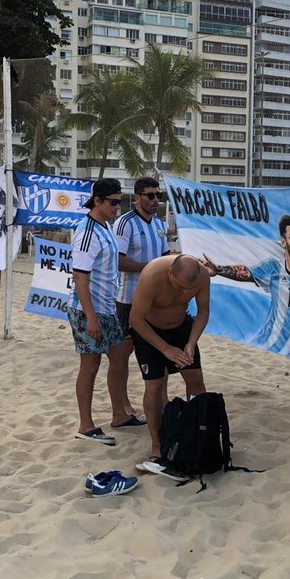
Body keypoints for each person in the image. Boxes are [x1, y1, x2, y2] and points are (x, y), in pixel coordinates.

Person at [202, 214, 290, 356]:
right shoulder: (274, 268)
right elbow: (245, 273)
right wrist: (219, 270)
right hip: (262, 350)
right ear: (283, 242)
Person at [67, 178, 134, 446]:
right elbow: (79, 277)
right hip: (88, 310)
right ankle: (86, 425)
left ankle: (119, 415)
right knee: (90, 365)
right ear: (97, 201)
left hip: (108, 307)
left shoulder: (105, 227)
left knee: (119, 358)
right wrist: (91, 317)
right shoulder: (87, 232)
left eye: (120, 201)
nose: (118, 206)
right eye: (113, 202)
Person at [129, 254, 211, 459]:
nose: (184, 292)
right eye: (180, 287)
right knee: (154, 386)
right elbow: (135, 319)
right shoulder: (152, 275)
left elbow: (203, 311)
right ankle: (157, 444)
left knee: (195, 379)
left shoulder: (202, 276)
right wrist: (165, 349)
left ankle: (197, 433)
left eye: (189, 289)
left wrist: (191, 343)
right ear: (169, 273)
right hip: (149, 330)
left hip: (181, 327)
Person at [111, 176, 169, 426]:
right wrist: (151, 269)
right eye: (151, 196)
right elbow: (118, 261)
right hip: (128, 299)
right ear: (137, 197)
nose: (156, 200)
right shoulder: (125, 223)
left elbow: (166, 258)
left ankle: (163, 403)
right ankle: (123, 406)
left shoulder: (160, 224)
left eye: (159, 195)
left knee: (161, 352)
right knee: (122, 355)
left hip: (156, 301)